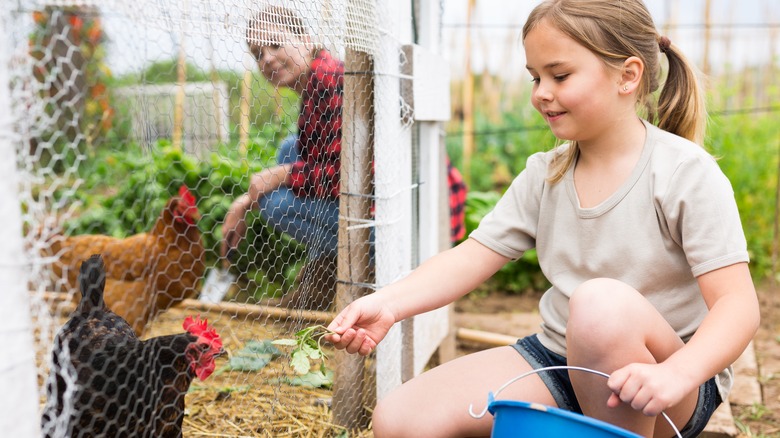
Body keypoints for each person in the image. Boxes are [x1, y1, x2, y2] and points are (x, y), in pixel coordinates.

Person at [325, 1, 759, 437]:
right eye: (535, 77)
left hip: (665, 384)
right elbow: (471, 257)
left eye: (560, 75)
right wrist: (389, 304)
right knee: (400, 420)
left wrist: (678, 373)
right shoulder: (545, 173)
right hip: (559, 360)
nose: (540, 92)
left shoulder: (685, 172)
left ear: (628, 76)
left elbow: (737, 307)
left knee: (600, 308)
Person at [222, 6, 467, 311]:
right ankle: (320, 284)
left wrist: (280, 177)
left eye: (275, 44)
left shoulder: (331, 81)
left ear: (306, 39)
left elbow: (350, 175)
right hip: (393, 205)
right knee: (291, 149)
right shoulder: (317, 82)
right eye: (258, 53)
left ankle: (366, 275)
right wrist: (247, 198)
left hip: (400, 224)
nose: (267, 58)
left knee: (274, 205)